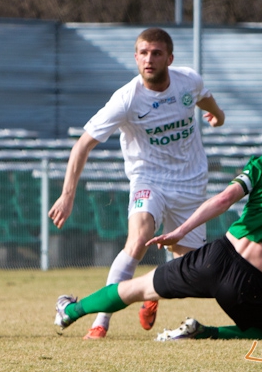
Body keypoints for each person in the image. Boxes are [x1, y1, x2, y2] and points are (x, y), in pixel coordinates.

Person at [54, 78, 262, 341]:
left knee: (135, 288)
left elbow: (224, 200)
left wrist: (181, 231)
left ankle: (71, 311)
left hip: (214, 256)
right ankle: (204, 332)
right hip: (249, 283)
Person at [48, 27, 226, 339]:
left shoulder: (188, 81)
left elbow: (205, 99)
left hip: (190, 183)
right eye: (143, 53)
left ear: (169, 58)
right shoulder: (126, 99)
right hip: (149, 179)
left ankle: (149, 294)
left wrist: (217, 116)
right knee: (139, 239)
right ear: (135, 57)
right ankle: (100, 322)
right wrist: (67, 196)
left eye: (156, 53)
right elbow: (82, 145)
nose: (149, 59)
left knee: (190, 273)